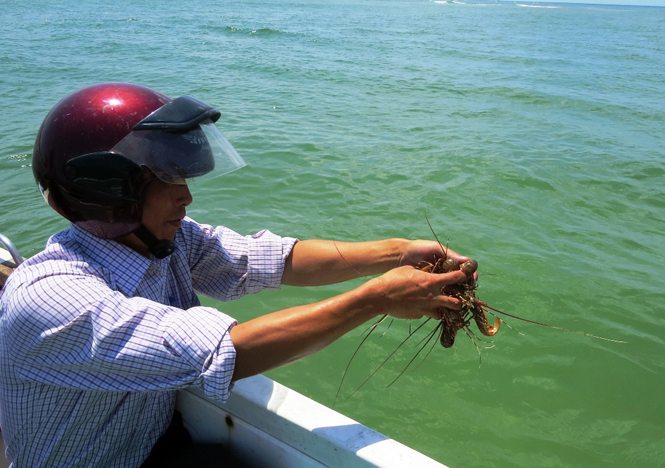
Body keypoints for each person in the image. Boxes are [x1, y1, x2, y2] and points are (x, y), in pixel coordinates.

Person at [0, 83, 474, 467]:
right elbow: (228, 351)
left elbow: (269, 259)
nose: (187, 197)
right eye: (167, 181)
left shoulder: (167, 240)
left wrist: (397, 252)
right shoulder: (50, 298)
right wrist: (373, 300)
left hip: (153, 446)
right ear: (107, 191)